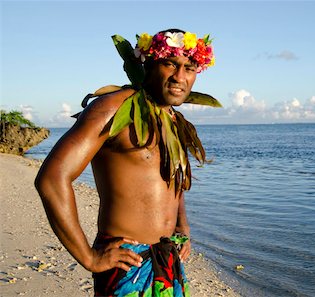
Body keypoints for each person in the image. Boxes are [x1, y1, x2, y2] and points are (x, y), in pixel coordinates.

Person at [35, 28, 218, 297]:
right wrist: (89, 257)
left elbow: (173, 178)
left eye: (189, 68)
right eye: (170, 64)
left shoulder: (174, 120)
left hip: (168, 257)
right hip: (127, 259)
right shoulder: (113, 108)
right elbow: (52, 178)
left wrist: (182, 226)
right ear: (148, 64)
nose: (180, 76)